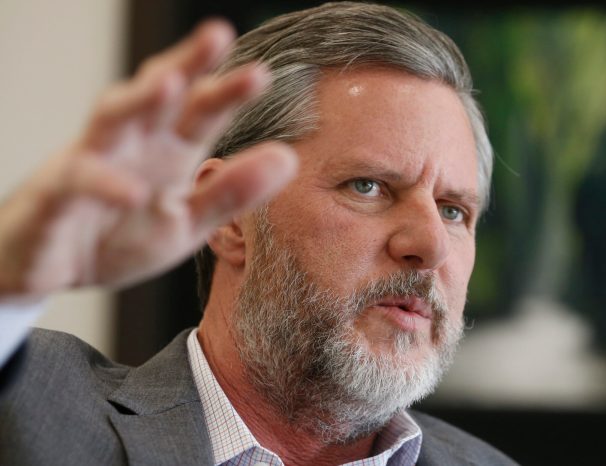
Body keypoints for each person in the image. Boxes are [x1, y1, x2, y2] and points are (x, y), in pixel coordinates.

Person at [0, 2, 515, 465]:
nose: (429, 246)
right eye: (368, 186)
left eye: (453, 211)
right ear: (228, 214)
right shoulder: (34, 410)